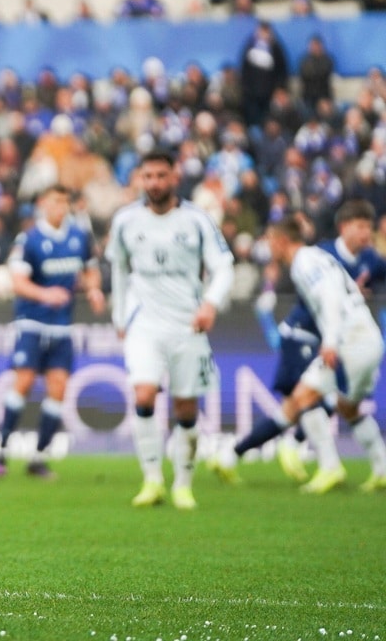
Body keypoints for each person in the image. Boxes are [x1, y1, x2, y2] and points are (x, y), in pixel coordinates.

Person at [213, 202, 386, 491]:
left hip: (351, 340)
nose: (268, 249)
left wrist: (330, 341)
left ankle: (329, 467)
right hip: (369, 337)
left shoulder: (304, 262)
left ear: (281, 241)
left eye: (270, 242)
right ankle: (381, 468)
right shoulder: (319, 256)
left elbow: (329, 296)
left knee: (301, 398)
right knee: (349, 406)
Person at [105, 150, 234, 509]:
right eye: (148, 176)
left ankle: (183, 483)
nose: (155, 183)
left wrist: (210, 303)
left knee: (185, 406)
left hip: (187, 323)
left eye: (161, 176)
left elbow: (224, 267)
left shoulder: (196, 220)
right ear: (140, 179)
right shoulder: (125, 221)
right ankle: (151, 480)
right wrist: (119, 317)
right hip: (144, 323)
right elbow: (118, 270)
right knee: (144, 395)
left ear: (174, 177)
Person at [0, 185, 106, 479]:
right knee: (24, 383)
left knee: (58, 389)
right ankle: (2, 449)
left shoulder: (79, 236)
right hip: (32, 323)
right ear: (43, 204)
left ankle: (38, 457)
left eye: (65, 202)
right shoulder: (29, 238)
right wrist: (46, 295)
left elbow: (91, 268)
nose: (61, 207)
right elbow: (18, 282)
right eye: (56, 202)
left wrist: (93, 289)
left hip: (62, 326)